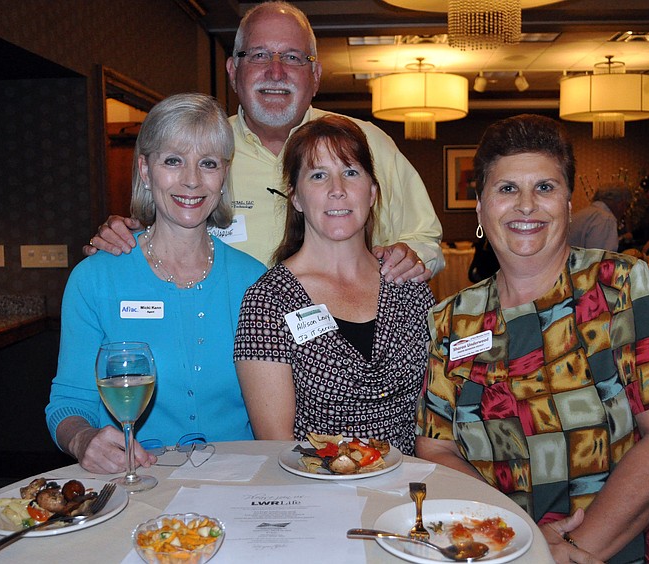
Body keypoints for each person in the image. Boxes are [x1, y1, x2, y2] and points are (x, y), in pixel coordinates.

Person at [415, 114, 649, 564]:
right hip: (499, 549)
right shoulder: (451, 320)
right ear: (480, 208)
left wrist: (571, 549)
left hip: (622, 550)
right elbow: (436, 448)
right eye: (507, 188)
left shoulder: (619, 286)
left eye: (545, 188)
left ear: (569, 206)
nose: (526, 205)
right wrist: (518, 534)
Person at [87, 1, 443, 285]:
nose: (276, 72)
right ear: (232, 71)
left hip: (344, 351)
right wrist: (123, 237)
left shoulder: (365, 143)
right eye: (258, 55)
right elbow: (158, 234)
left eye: (292, 57)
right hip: (226, 355)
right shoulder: (201, 150)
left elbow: (425, 238)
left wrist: (408, 257)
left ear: (315, 75)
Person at [46, 93, 266, 474]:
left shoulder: (254, 281)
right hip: (134, 483)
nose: (192, 180)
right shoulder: (95, 279)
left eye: (208, 163)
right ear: (146, 171)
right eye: (173, 161)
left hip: (238, 486)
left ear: (224, 175)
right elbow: (68, 402)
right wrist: (83, 439)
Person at [233, 115, 434, 455]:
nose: (337, 189)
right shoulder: (267, 301)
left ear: (371, 193)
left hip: (409, 491)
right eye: (318, 175)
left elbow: (437, 424)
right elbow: (277, 447)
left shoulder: (408, 285)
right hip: (315, 495)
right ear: (295, 198)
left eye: (350, 172)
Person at [568, 182, 631, 251]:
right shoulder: (606, 219)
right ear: (620, 204)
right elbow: (600, 259)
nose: (625, 211)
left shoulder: (581, 214)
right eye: (626, 206)